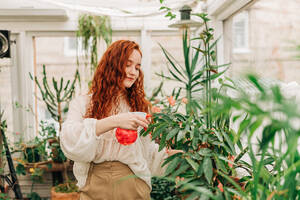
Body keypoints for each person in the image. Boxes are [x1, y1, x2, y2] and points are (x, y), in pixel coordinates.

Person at [60, 40, 180, 200]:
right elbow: (69, 140)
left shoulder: (138, 108)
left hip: (133, 184)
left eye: (137, 67)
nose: (133, 72)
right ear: (112, 65)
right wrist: (115, 121)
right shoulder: (84, 103)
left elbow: (148, 153)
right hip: (95, 186)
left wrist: (172, 157)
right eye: (128, 64)